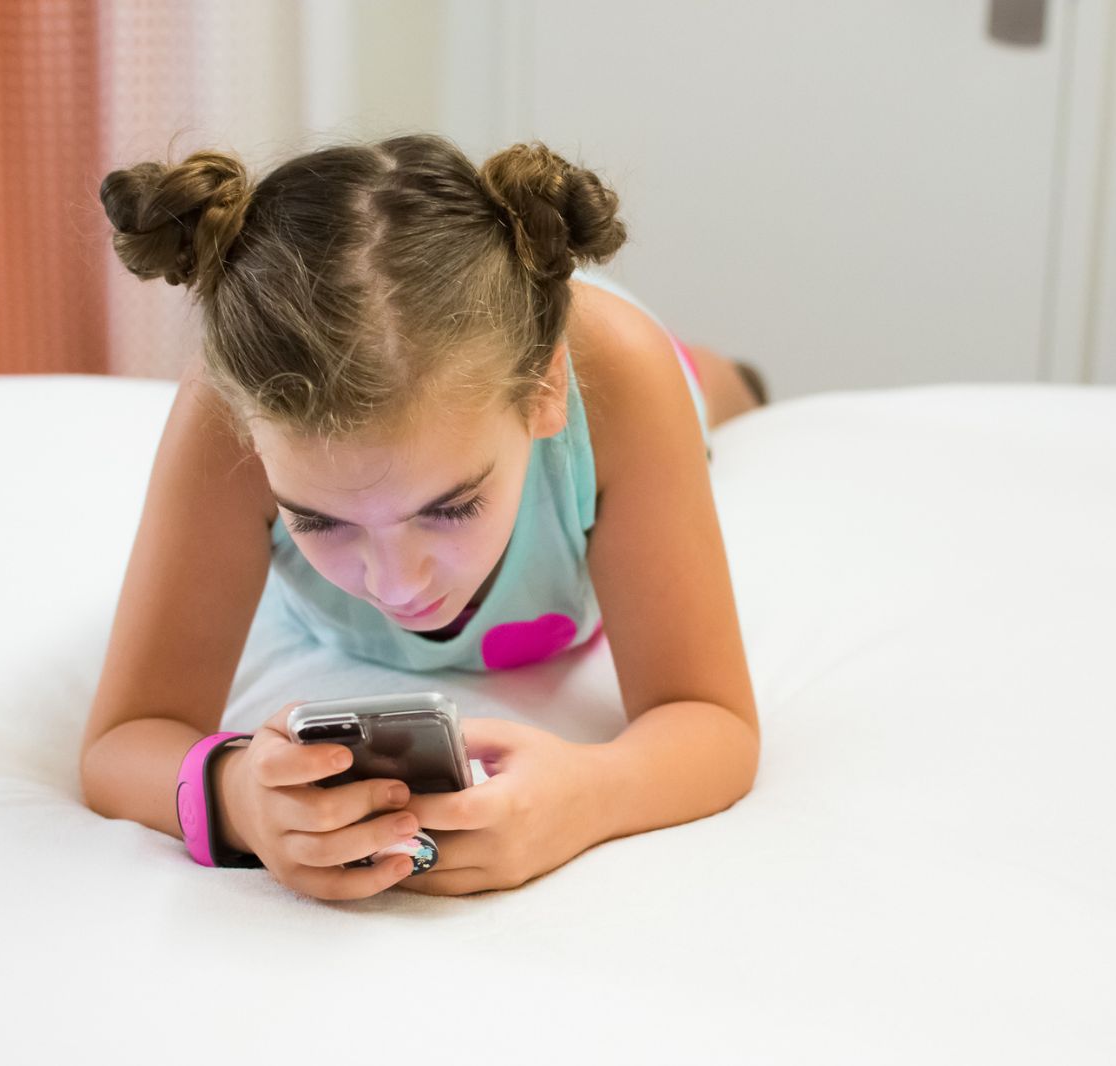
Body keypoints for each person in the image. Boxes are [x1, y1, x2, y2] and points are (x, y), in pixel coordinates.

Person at [80, 133, 766, 900]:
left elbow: (712, 719)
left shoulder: (616, 380)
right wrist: (237, 797)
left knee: (702, 388)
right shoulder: (228, 413)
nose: (396, 583)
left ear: (543, 394)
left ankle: (724, 376)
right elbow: (122, 742)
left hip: (611, 359)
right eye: (320, 520)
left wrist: (590, 796)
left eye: (452, 506)